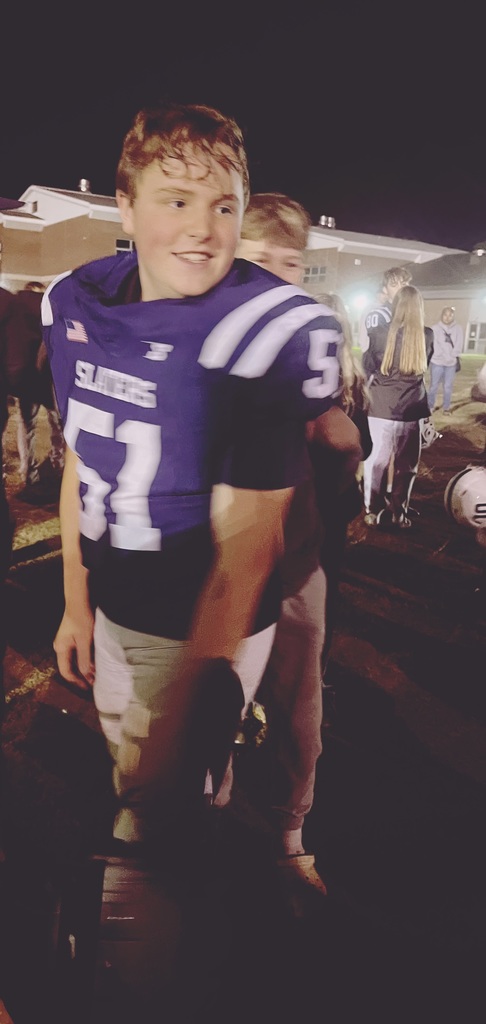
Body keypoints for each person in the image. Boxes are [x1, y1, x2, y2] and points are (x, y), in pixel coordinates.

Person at [41, 103, 343, 874]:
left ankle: (185, 937)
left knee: (161, 820)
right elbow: (84, 457)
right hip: (117, 604)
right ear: (126, 207)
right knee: (144, 787)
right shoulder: (76, 301)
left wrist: (184, 720)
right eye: (176, 200)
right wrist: (77, 599)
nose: (203, 228)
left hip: (200, 621)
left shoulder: (264, 329)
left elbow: (246, 549)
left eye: (223, 206)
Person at [234, 195, 366, 906]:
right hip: (230, 557)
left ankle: (288, 833)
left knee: (295, 700)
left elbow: (340, 437)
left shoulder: (298, 333)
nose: (277, 275)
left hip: (285, 554)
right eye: (260, 259)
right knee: (227, 699)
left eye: (289, 261)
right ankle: (255, 825)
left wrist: (330, 501)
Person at [362, 285, 433, 528]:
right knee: (406, 466)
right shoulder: (427, 335)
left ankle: (372, 511)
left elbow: (368, 365)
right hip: (411, 410)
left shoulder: (379, 333)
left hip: (381, 407)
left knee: (376, 463)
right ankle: (398, 513)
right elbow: (423, 369)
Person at [7, 281, 65, 488]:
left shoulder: (15, 310)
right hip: (47, 379)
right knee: (57, 425)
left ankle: (27, 470)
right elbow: (48, 345)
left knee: (27, 425)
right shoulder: (47, 308)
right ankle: (57, 464)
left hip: (24, 379)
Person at [361, 266, 413, 362]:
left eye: (404, 284)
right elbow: (379, 353)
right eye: (394, 285)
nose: (400, 288)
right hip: (385, 373)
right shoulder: (378, 315)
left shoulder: (412, 313)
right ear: (385, 290)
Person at [428, 306, 464, 415]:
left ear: (453, 317)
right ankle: (430, 406)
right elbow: (435, 345)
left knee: (448, 386)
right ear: (442, 315)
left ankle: (446, 407)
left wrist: (452, 356)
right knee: (434, 386)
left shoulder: (458, 329)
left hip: (451, 364)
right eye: (445, 315)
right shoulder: (435, 328)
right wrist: (443, 355)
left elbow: (459, 344)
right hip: (437, 362)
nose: (447, 318)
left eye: (450, 315)